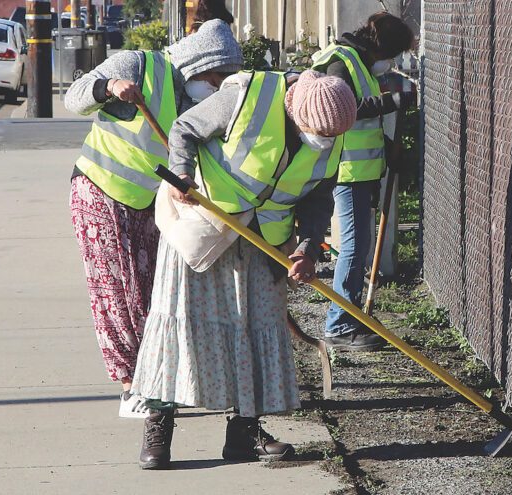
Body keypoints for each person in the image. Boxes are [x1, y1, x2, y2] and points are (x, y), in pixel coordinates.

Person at [130, 69, 357, 469]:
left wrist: (307, 249)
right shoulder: (245, 97)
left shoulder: (333, 132)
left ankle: (244, 433)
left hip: (265, 241)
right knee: (180, 323)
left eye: (330, 137)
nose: (322, 142)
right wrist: (182, 172)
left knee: (259, 327)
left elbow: (319, 197)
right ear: (293, 110)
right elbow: (184, 129)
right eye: (315, 133)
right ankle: (158, 427)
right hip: (203, 227)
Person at [65, 20, 244, 418]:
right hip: (100, 191)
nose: (216, 88)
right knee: (116, 294)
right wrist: (107, 87)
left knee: (149, 294)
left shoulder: (195, 101)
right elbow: (74, 98)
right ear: (199, 65)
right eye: (215, 78)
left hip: (149, 204)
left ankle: (154, 381)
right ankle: (131, 389)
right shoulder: (139, 66)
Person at [311, 12, 415, 351]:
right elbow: (345, 109)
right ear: (381, 48)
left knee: (361, 247)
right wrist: (394, 101)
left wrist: (386, 150)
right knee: (355, 247)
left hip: (361, 170)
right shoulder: (341, 63)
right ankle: (339, 326)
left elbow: (361, 126)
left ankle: (350, 315)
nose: (391, 63)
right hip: (346, 171)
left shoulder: (356, 63)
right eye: (392, 55)